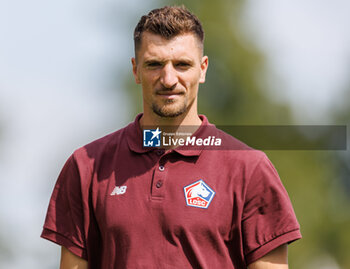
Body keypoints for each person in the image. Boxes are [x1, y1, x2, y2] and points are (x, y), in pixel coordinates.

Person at [41, 5, 301, 269]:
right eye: (154, 64)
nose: (168, 79)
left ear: (203, 69)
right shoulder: (87, 166)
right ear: (135, 69)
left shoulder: (249, 169)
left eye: (182, 65)